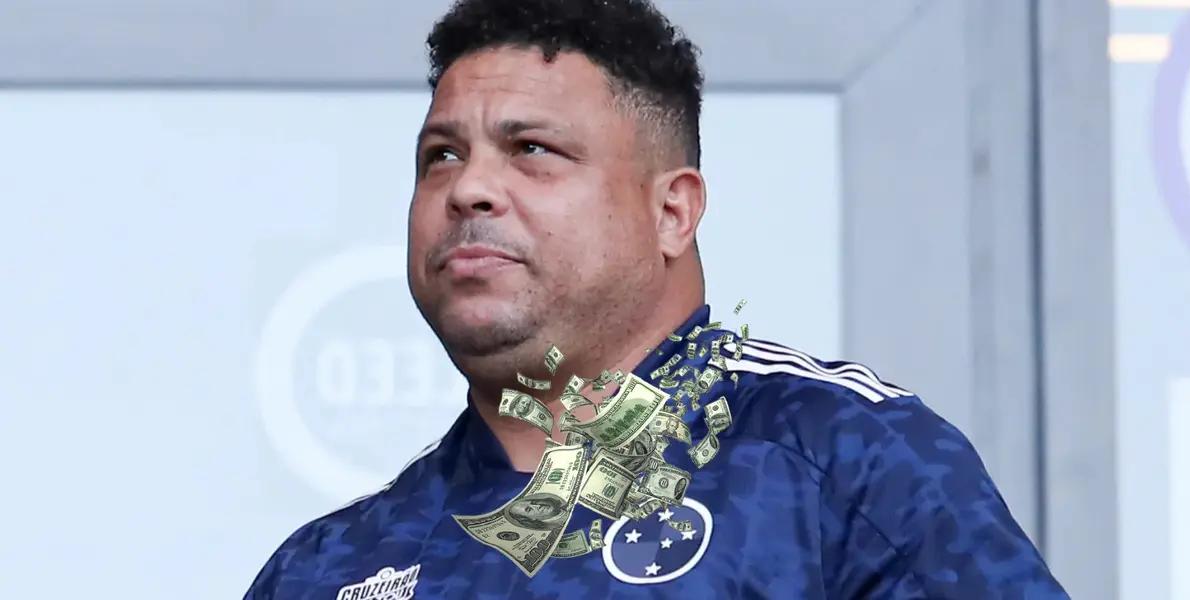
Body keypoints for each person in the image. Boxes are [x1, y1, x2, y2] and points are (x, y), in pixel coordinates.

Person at [244, 0, 1069, 597]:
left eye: (532, 149)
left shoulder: (844, 464)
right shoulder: (328, 567)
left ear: (671, 210)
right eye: (442, 156)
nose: (471, 190)